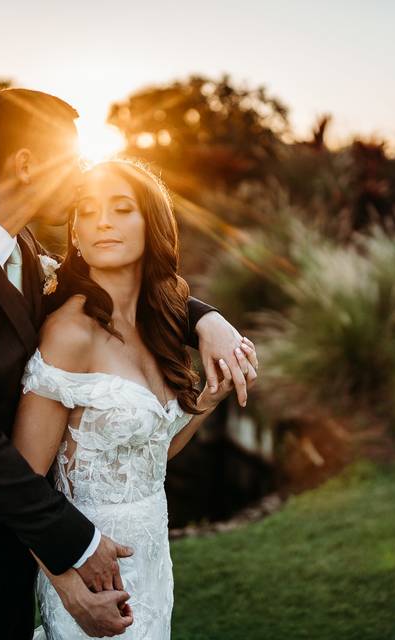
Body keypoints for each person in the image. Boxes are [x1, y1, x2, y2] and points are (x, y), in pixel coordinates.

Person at [0, 88, 257, 639]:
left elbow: (113, 287)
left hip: (32, 553)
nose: (80, 182)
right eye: (72, 163)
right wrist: (75, 550)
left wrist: (204, 319)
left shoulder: (19, 248)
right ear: (27, 164)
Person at [14, 159, 248, 640]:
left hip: (153, 564)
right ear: (75, 232)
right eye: (88, 211)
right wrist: (67, 585)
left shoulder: (159, 323)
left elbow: (151, 455)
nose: (102, 222)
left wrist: (207, 399)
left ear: (152, 225)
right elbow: (20, 483)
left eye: (121, 209)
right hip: (92, 572)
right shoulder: (69, 333)